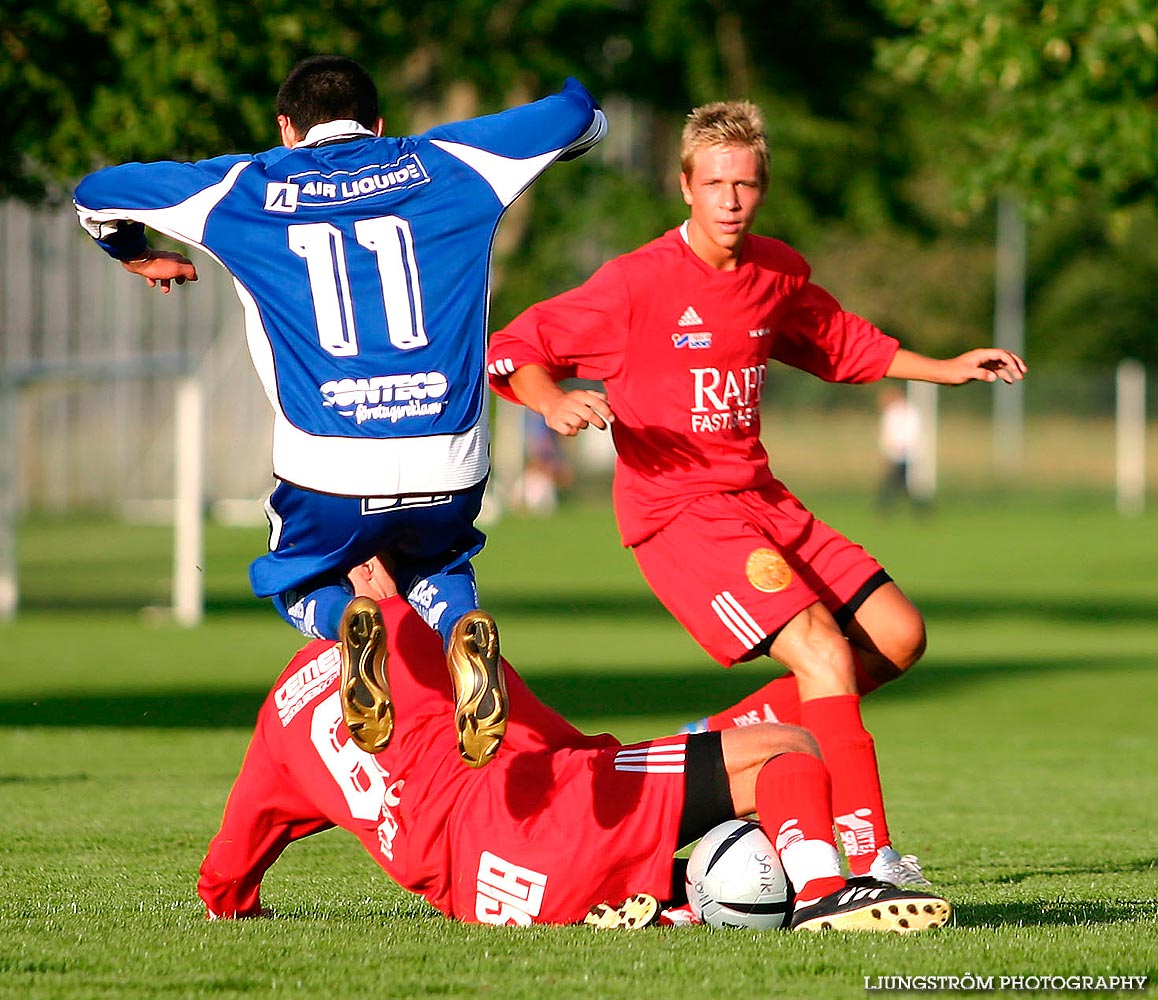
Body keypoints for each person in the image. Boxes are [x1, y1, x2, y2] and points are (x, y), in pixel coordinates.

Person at [485, 100, 1026, 883]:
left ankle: (717, 741)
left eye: (744, 184)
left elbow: (838, 343)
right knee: (821, 650)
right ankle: (870, 857)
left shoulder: (777, 270)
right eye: (714, 183)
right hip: (679, 514)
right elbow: (516, 348)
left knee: (899, 636)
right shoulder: (635, 284)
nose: (730, 200)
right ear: (685, 186)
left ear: (762, 186)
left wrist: (945, 367)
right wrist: (552, 401)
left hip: (762, 500)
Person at [73, 55, 606, 766]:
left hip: (330, 465)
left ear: (286, 127)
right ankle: (460, 626)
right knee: (439, 554)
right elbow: (574, 114)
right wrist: (586, 122)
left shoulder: (241, 186)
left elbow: (96, 193)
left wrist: (136, 254)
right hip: (450, 454)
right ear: (378, 125)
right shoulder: (452, 160)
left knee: (296, 573)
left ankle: (342, 620)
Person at [197, 553, 952, 933]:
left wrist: (240, 908)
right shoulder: (433, 642)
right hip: (531, 808)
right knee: (786, 748)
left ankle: (672, 910)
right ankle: (824, 894)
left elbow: (223, 883)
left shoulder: (278, 726)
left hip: (484, 898)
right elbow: (549, 747)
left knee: (710, 797)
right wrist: (405, 606)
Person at [877, 386, 925, 513]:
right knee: (900, 484)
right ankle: (920, 508)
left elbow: (912, 431)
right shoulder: (891, 412)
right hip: (894, 455)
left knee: (893, 483)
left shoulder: (909, 411)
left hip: (906, 454)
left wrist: (903, 446)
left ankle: (884, 508)